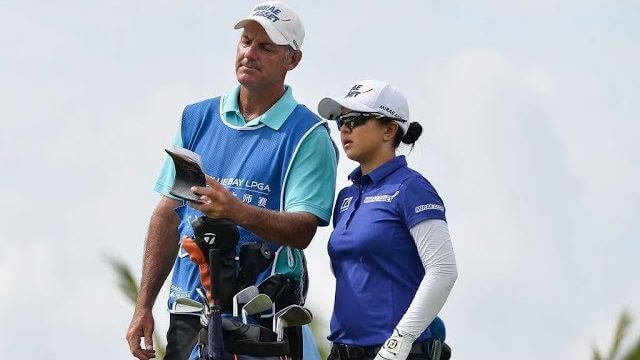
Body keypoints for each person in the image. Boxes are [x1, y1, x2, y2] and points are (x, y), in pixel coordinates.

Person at [125, 2, 338, 359]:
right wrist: (143, 305)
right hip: (189, 313)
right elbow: (168, 213)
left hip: (263, 320)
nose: (250, 53)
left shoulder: (308, 135)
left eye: (266, 47)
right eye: (246, 41)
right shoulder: (197, 119)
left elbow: (302, 231)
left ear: (292, 60)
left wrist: (236, 210)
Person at [317, 80, 458, 360]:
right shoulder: (346, 196)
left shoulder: (411, 188)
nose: (345, 128)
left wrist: (400, 341)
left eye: (355, 119)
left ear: (390, 130)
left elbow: (443, 270)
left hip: (397, 352)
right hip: (343, 352)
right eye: (341, 121)